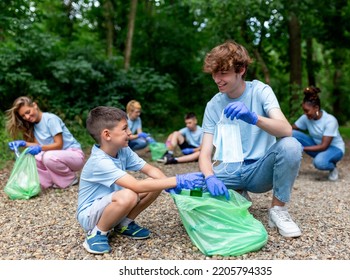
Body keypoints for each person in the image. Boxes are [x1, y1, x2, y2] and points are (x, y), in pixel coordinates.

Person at [199, 40, 303, 238]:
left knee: (291, 146)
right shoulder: (213, 105)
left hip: (258, 171)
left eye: (223, 73)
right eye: (214, 73)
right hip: (228, 170)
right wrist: (210, 177)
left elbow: (286, 130)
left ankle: (278, 211)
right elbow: (204, 153)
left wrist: (254, 118)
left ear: (241, 70)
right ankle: (237, 195)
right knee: (193, 188)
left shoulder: (260, 91)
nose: (217, 79)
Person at [76, 106, 204, 254]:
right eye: (124, 129)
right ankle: (97, 232)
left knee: (153, 183)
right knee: (130, 194)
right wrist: (178, 180)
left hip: (112, 203)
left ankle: (124, 224)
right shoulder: (99, 161)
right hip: (90, 215)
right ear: (107, 135)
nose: (130, 133)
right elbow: (136, 186)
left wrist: (173, 185)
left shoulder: (123, 150)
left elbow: (150, 170)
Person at [6, 96, 85, 189]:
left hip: (74, 156)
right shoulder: (34, 125)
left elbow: (59, 145)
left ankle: (69, 179)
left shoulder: (50, 119)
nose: (27, 117)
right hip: (57, 157)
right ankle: (47, 181)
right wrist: (23, 143)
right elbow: (38, 145)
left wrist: (40, 148)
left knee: (48, 156)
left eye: (28, 112)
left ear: (34, 105)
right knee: (33, 157)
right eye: (23, 116)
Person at [292, 86, 345, 181]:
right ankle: (290, 168)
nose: (305, 113)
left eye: (307, 111)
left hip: (335, 148)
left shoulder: (330, 121)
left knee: (319, 162)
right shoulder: (306, 117)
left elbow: (324, 146)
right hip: (317, 145)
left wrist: (302, 148)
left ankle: (332, 167)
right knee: (291, 133)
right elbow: (290, 129)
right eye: (303, 110)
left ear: (316, 108)